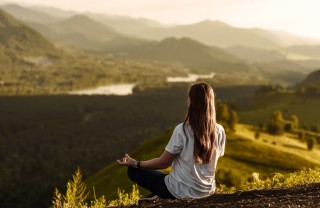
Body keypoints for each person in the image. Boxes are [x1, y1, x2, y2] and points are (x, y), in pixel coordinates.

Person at [117, 82, 226, 200]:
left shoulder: (182, 130)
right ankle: (159, 192)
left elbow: (163, 163)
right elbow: (215, 158)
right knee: (166, 177)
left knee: (133, 171)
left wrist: (136, 163)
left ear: (191, 101)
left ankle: (159, 194)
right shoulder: (219, 130)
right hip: (207, 191)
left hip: (178, 191)